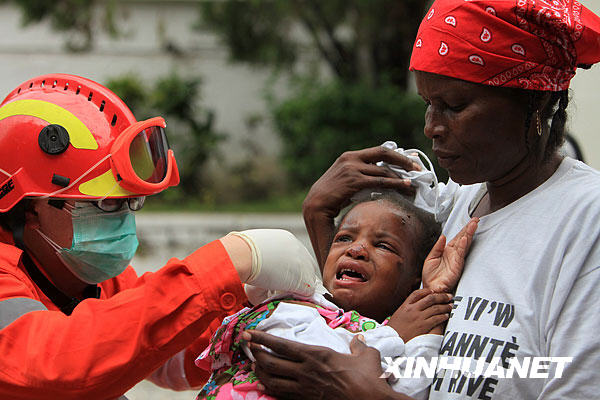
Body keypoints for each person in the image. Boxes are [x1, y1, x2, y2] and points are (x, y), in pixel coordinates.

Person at [241, 1, 600, 399]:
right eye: (429, 104)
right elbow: (372, 325)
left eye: (455, 106)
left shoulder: (585, 222)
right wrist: (319, 215)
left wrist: (366, 395)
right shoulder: (456, 205)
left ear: (535, 105)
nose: (432, 127)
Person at [0, 74, 328, 400]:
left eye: (130, 203)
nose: (123, 219)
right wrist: (229, 261)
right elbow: (54, 365)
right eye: (105, 204)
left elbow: (167, 355)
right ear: (28, 208)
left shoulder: (86, 276)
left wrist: (244, 309)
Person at [194, 191, 478, 400]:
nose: (356, 249)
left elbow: (411, 390)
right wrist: (394, 336)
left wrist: (432, 300)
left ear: (412, 279)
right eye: (344, 238)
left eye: (383, 245)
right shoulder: (293, 307)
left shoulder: (398, 329)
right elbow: (309, 360)